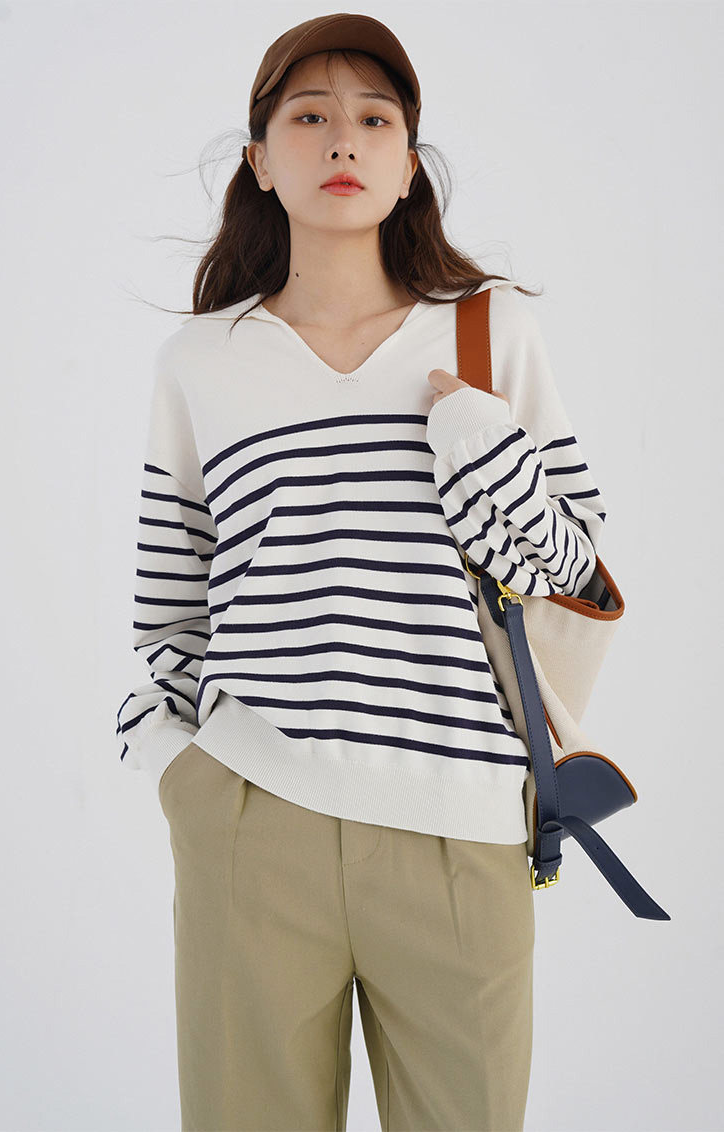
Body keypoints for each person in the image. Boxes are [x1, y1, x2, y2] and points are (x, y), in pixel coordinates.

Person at [116, 13, 608, 1131]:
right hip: (253, 821)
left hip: (462, 828)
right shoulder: (201, 362)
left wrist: (482, 453)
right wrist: (187, 775)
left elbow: (581, 577)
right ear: (260, 160)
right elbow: (169, 605)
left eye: (375, 120)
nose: (344, 140)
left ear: (408, 165)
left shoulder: (488, 335)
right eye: (310, 117)